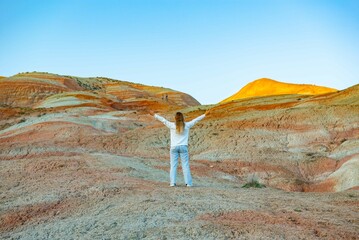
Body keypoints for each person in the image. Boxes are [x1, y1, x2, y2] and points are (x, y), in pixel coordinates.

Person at [153, 111, 207, 187]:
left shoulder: (172, 125)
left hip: (174, 147)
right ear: (182, 118)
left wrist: (155, 115)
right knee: (185, 165)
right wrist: (204, 115)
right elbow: (196, 120)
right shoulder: (187, 125)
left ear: (175, 118)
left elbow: (163, 120)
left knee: (173, 165)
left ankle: (172, 183)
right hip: (183, 147)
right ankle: (188, 183)